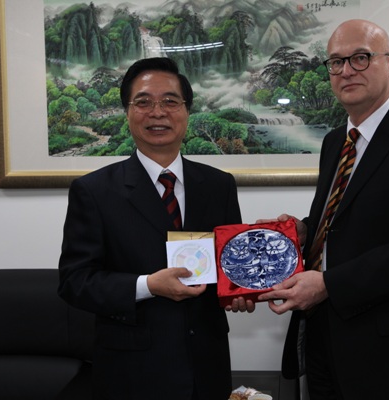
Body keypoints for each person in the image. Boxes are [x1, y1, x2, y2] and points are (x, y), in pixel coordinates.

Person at [257, 19, 389, 399]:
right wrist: (304, 231)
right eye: (336, 62)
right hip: (323, 339)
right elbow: (343, 220)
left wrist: (329, 285)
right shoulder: (336, 141)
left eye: (360, 58)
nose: (346, 70)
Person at [58, 57, 251, 400]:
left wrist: (239, 290)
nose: (157, 112)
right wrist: (148, 285)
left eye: (170, 101)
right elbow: (75, 282)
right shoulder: (94, 191)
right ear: (127, 112)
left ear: (186, 111)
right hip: (131, 371)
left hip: (206, 365)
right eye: (143, 102)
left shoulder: (219, 185)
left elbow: (228, 263)